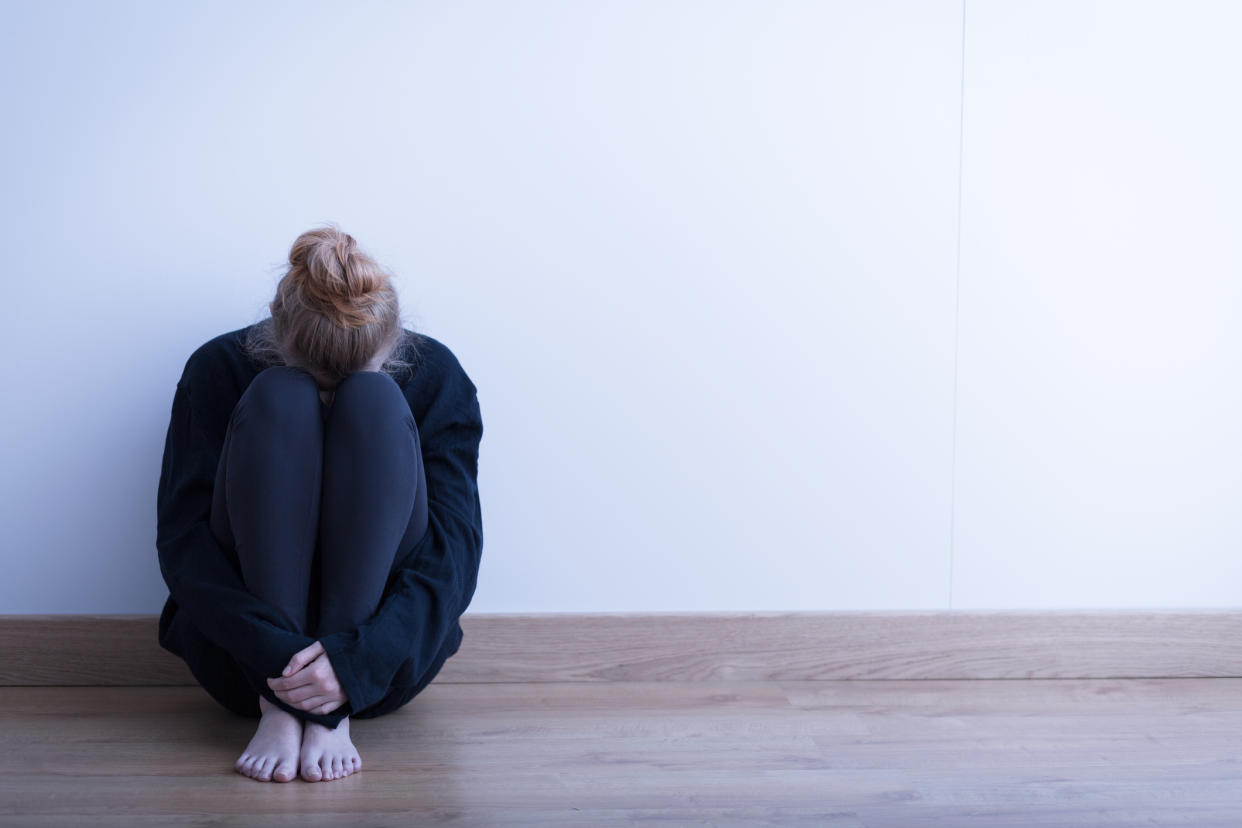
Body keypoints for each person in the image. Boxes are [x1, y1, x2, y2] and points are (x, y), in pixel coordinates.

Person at [155, 225, 484, 783]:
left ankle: (328, 711)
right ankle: (282, 705)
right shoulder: (219, 368)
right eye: (319, 381)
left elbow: (455, 550)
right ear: (276, 340)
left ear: (392, 343)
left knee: (375, 404)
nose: (331, 399)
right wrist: (275, 670)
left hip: (383, 667)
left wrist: (352, 668)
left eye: (346, 381)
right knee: (281, 398)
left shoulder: (435, 376)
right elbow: (183, 540)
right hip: (241, 664)